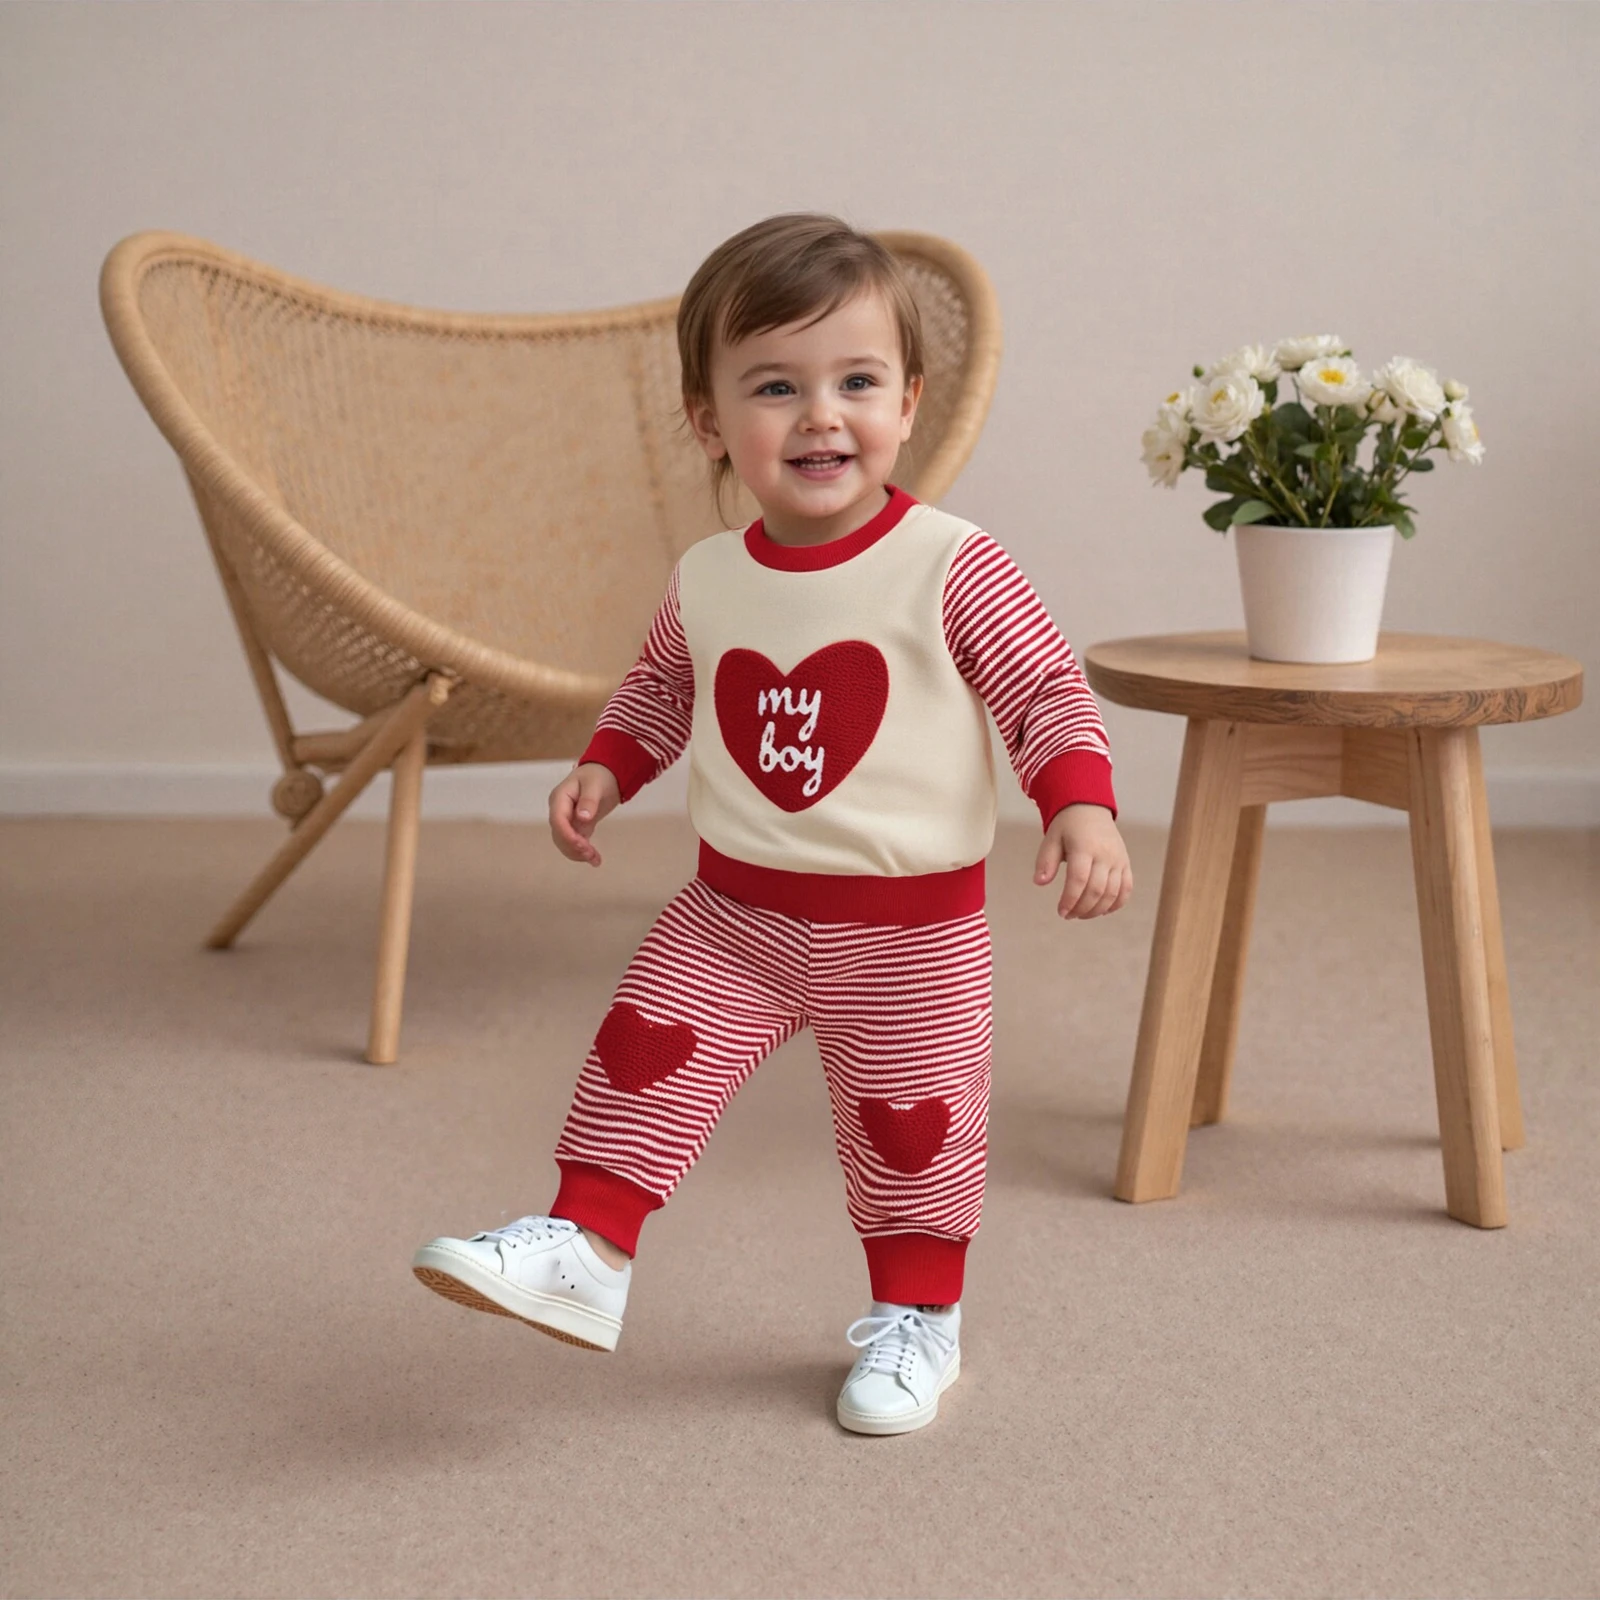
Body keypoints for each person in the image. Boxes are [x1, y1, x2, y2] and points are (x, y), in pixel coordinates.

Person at [413, 212, 1132, 1436]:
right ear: (709, 422)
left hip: (909, 937)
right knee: (642, 1051)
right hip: (733, 909)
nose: (820, 415)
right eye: (774, 387)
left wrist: (1080, 807)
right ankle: (587, 1245)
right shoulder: (708, 576)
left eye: (856, 382)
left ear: (907, 404)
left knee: (914, 1136)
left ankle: (921, 1321)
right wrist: (606, 765)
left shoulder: (954, 564)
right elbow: (658, 688)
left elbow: (1044, 689)